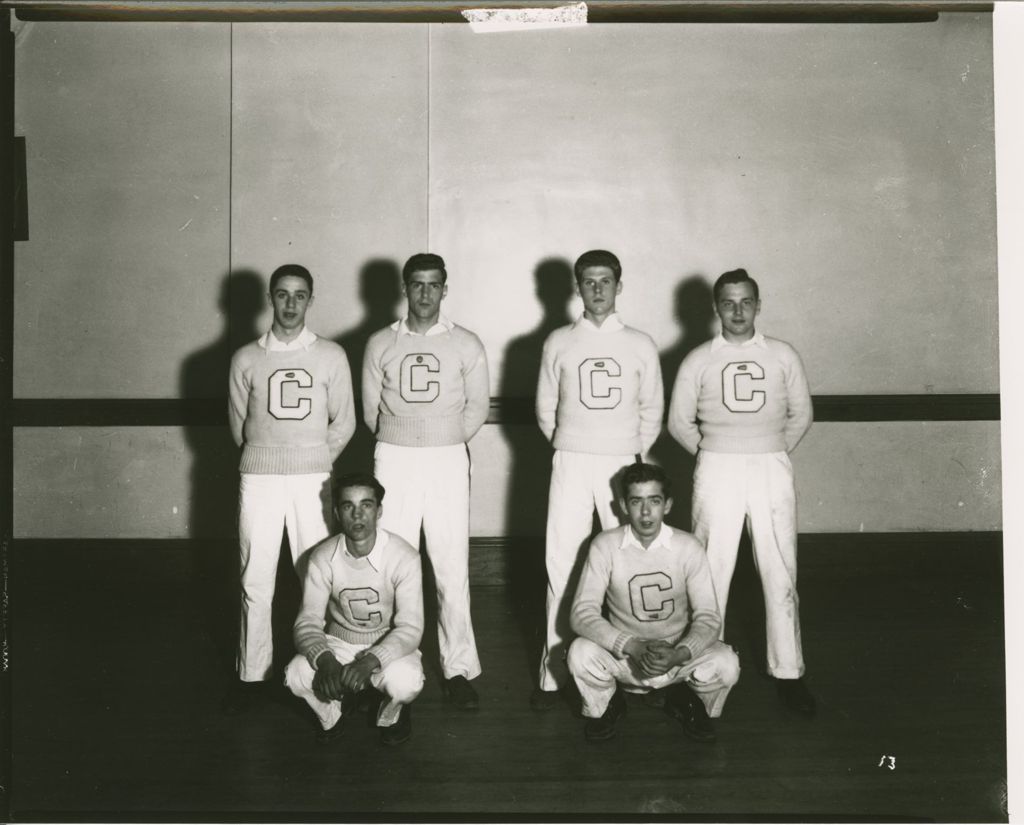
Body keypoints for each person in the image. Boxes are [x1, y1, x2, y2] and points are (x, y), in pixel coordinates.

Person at [667, 268, 815, 716]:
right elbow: (678, 422)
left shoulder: (783, 355)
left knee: (780, 572)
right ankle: (701, 670)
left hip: (770, 467)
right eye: (728, 302)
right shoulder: (698, 359)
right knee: (711, 571)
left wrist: (766, 450)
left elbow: (801, 414)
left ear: (757, 304)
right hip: (716, 468)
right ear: (715, 307)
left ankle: (789, 672)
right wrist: (716, 452)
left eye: (745, 302)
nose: (737, 311)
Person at [533, 250, 663, 710]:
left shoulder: (641, 344)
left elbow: (651, 413)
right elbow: (546, 409)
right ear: (577, 287)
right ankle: (553, 675)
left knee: (621, 565)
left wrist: (627, 454)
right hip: (571, 459)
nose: (598, 289)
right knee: (562, 561)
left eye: (606, 280)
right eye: (588, 281)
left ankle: (624, 669)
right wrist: (571, 443)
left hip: (620, 465)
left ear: (619, 286)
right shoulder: (559, 341)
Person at [225, 264, 356, 713]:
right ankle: (252, 677)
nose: (290, 304)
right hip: (259, 479)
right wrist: (268, 459)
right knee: (255, 579)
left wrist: (316, 462)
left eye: (300, 295)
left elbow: (345, 422)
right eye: (283, 294)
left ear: (311, 300)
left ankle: (326, 672)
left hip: (313, 481)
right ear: (270, 297)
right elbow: (240, 427)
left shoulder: (331, 356)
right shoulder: (245, 358)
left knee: (318, 578)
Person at [362, 253, 490, 710]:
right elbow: (369, 411)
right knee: (391, 563)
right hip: (394, 457)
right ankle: (387, 667)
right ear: (404, 287)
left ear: (444, 289)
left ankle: (458, 669)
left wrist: (443, 439)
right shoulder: (380, 343)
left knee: (450, 567)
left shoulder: (466, 343)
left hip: (446, 460)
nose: (424, 294)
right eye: (416, 284)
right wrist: (404, 440)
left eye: (433, 285)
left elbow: (476, 409)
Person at [567, 462, 740, 742]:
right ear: (623, 505)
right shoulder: (605, 545)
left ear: (668, 505)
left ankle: (690, 703)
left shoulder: (688, 546)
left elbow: (708, 617)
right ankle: (607, 705)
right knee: (579, 653)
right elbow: (581, 613)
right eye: (636, 501)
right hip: (625, 655)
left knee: (727, 662)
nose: (646, 512)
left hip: (674, 654)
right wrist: (632, 646)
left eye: (654, 501)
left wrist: (680, 653)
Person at [284, 473, 424, 746]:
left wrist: (369, 661)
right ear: (336, 512)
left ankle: (391, 714)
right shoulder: (322, 556)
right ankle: (331, 716)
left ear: (379, 510)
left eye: (366, 505)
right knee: (295, 674)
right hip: (340, 642)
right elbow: (307, 622)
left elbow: (411, 627)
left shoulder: (404, 556)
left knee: (406, 682)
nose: (357, 514)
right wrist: (325, 660)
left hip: (387, 642)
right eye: (348, 506)